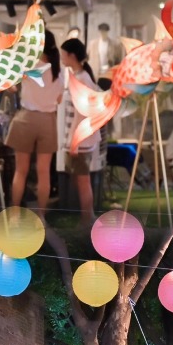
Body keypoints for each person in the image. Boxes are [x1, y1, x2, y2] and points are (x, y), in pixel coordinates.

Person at [7, 30, 62, 216]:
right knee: (44, 172)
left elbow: (12, 86)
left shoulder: (29, 65)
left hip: (27, 119)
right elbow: (60, 99)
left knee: (20, 171)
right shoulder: (59, 72)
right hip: (48, 120)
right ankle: (41, 215)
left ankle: (14, 214)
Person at [59, 37, 100, 225]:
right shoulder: (79, 76)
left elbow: (81, 114)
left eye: (63, 54)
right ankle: (87, 217)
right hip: (79, 139)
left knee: (83, 181)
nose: (61, 58)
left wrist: (73, 141)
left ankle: (88, 218)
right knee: (81, 180)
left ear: (71, 55)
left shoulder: (82, 79)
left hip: (81, 140)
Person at [94, 22, 124, 86]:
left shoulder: (114, 45)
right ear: (99, 32)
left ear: (107, 32)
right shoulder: (93, 44)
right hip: (97, 74)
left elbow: (118, 61)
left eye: (105, 32)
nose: (103, 34)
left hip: (108, 74)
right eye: (101, 32)